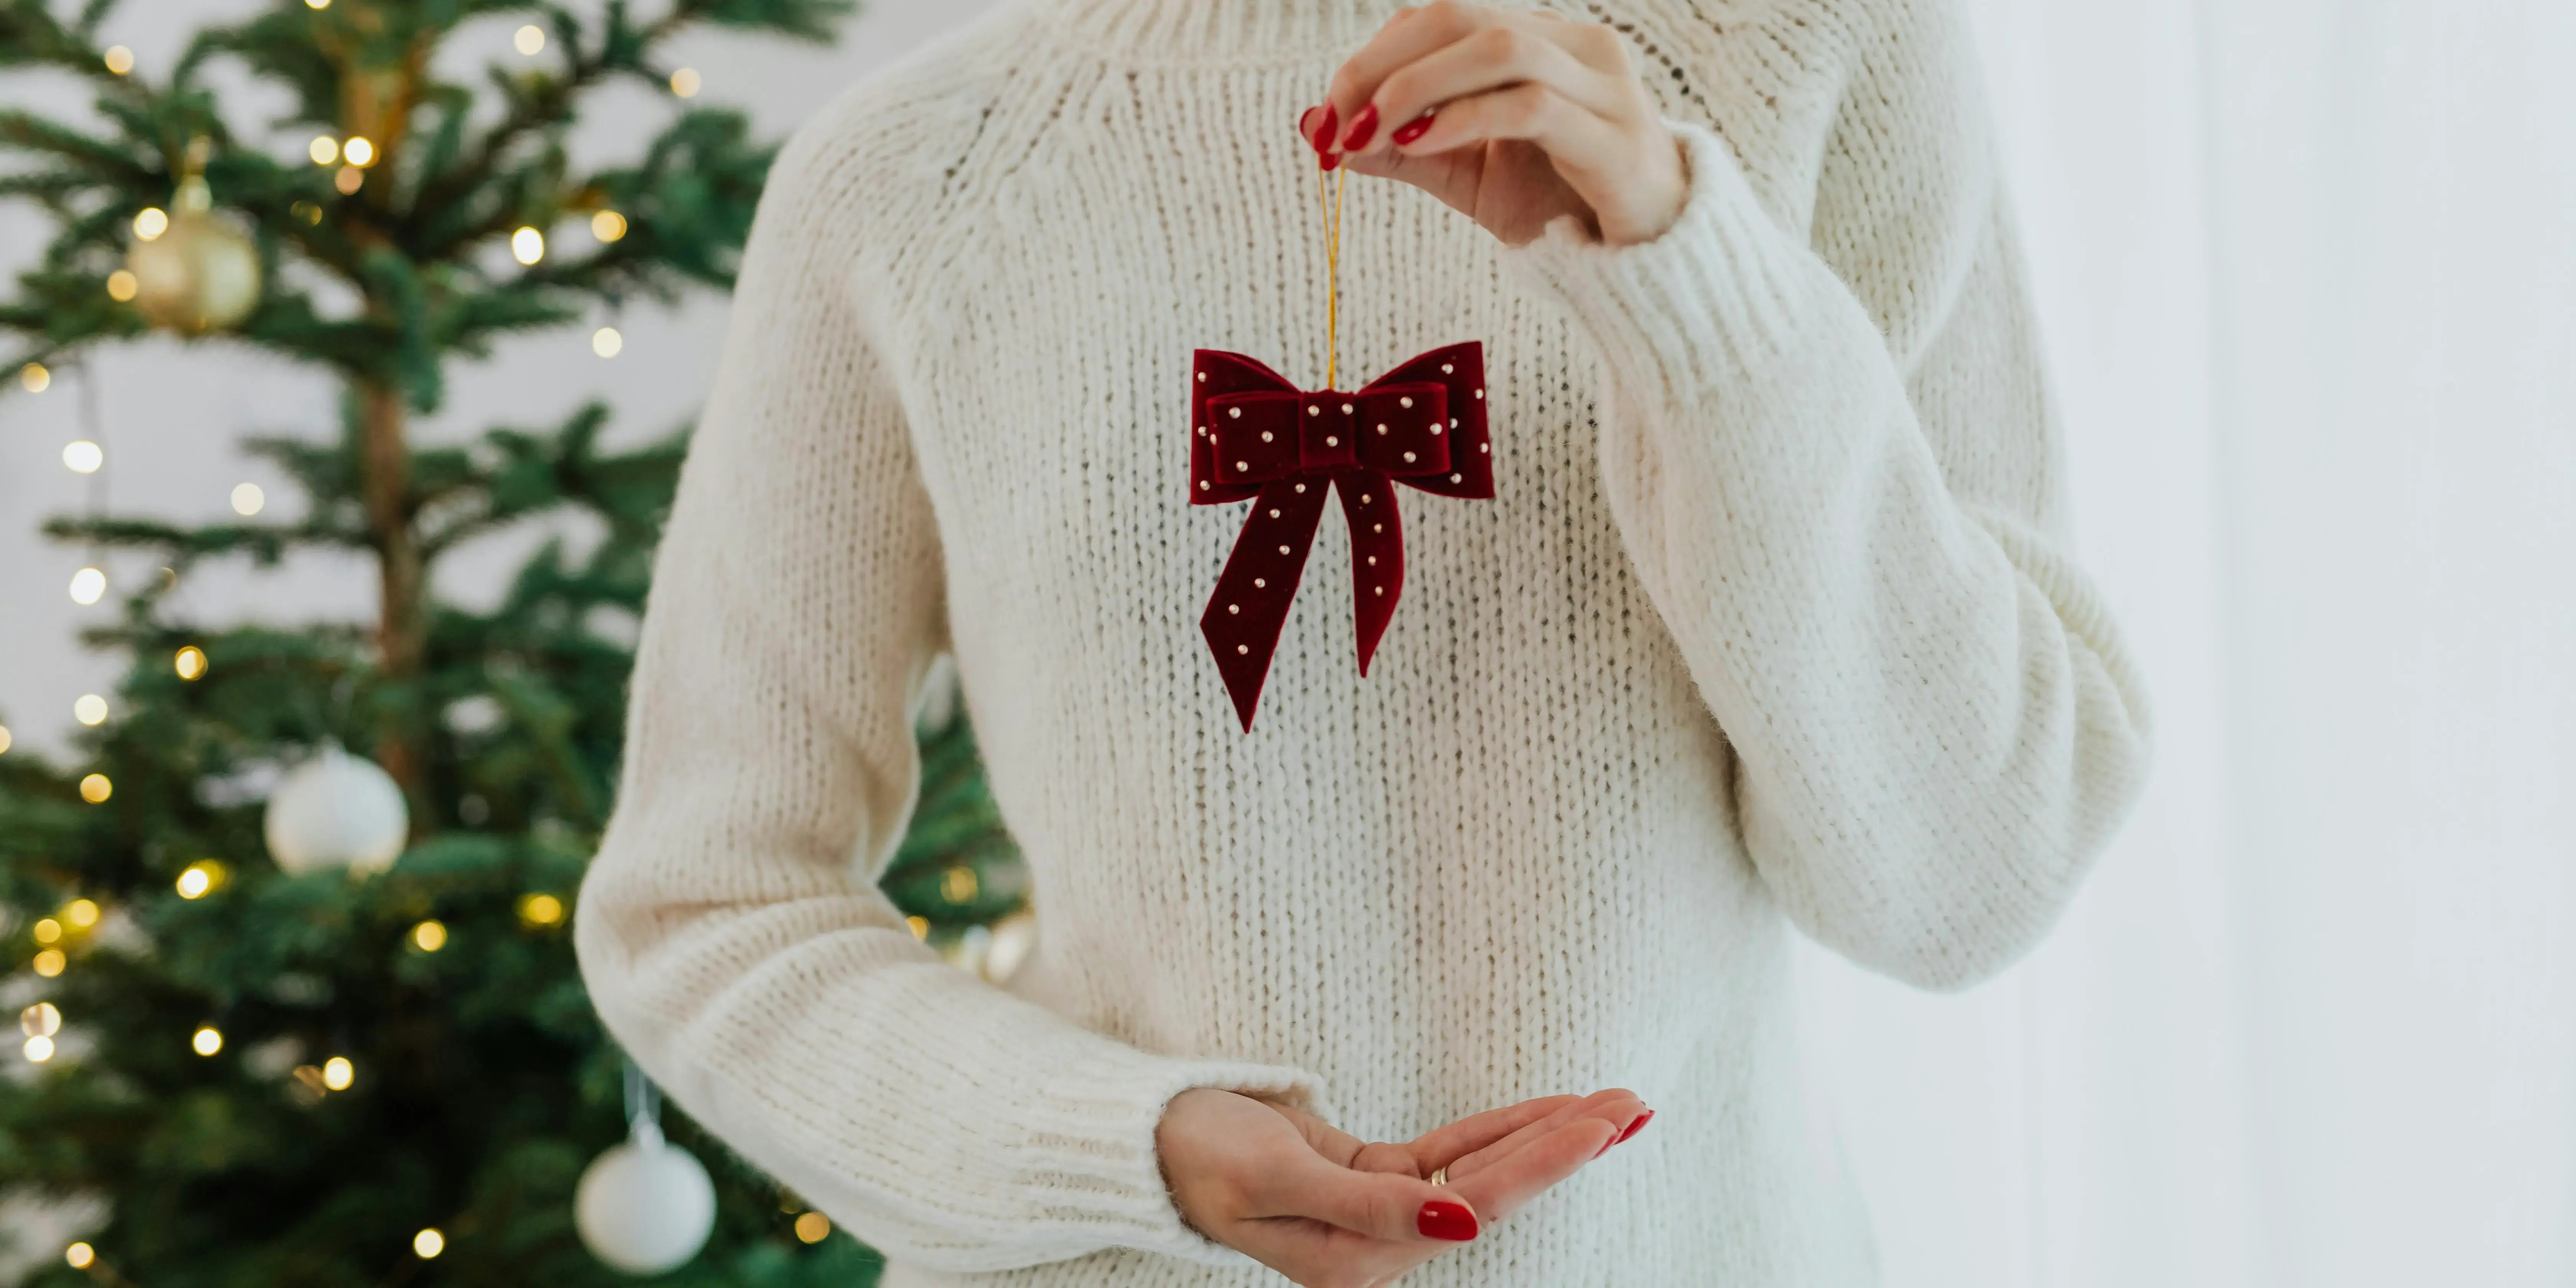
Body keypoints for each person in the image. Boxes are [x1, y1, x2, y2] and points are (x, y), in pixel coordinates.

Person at [572, 0, 2153, 1283]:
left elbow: (1968, 883)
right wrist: (1126, 1145)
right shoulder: (908, 183)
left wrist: (1695, 277)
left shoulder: (1812, 49)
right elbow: (710, 906)